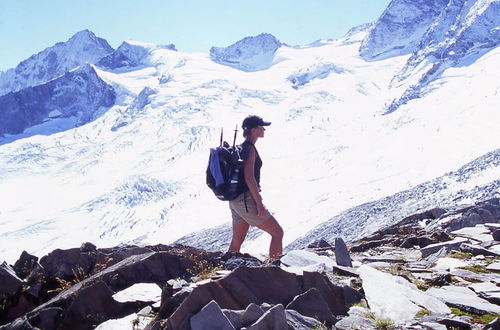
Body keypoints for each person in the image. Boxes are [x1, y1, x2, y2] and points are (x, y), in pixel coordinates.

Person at [227, 115, 284, 260]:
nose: (264, 129)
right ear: (253, 130)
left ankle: (224, 269)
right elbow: (249, 178)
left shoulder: (242, 148)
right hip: (246, 200)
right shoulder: (250, 149)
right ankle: (275, 269)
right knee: (277, 233)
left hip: (235, 200)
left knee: (237, 241)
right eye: (261, 126)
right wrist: (259, 204)